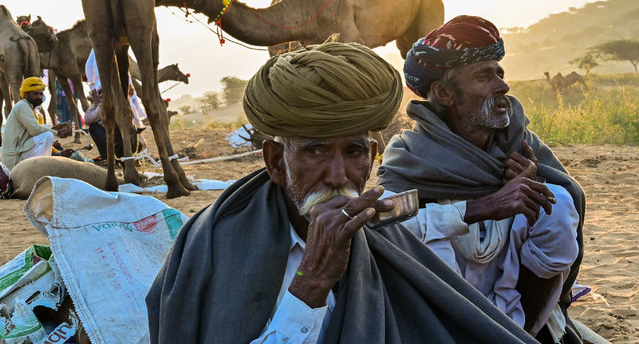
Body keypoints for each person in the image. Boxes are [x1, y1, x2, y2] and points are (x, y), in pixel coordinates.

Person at [147, 42, 536, 344]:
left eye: (352, 152)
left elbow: (408, 217)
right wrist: (311, 282)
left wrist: (485, 205)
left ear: (371, 158)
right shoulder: (219, 243)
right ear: (275, 161)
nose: (337, 175)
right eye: (315, 151)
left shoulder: (378, 224)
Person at [377, 16, 585, 343]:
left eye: (500, 73)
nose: (502, 86)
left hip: (517, 311)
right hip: (441, 317)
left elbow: (570, 199)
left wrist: (531, 187)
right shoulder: (411, 157)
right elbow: (381, 218)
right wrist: (482, 206)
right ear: (444, 93)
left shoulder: (521, 145)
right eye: (484, 76)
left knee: (556, 205)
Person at [0, 77, 72, 171]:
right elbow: (34, 130)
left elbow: (34, 130)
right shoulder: (22, 106)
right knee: (48, 135)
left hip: (20, 149)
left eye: (41, 94)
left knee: (46, 128)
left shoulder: (29, 108)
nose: (39, 97)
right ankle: (39, 168)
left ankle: (41, 165)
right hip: (14, 157)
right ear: (26, 94)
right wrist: (57, 132)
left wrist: (55, 128)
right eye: (35, 94)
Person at [84, 87, 145, 160]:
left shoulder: (114, 106)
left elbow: (88, 119)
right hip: (117, 142)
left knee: (94, 128)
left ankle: (110, 158)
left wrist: (98, 104)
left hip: (121, 144)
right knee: (93, 127)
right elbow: (87, 120)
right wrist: (96, 104)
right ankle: (107, 158)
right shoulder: (102, 106)